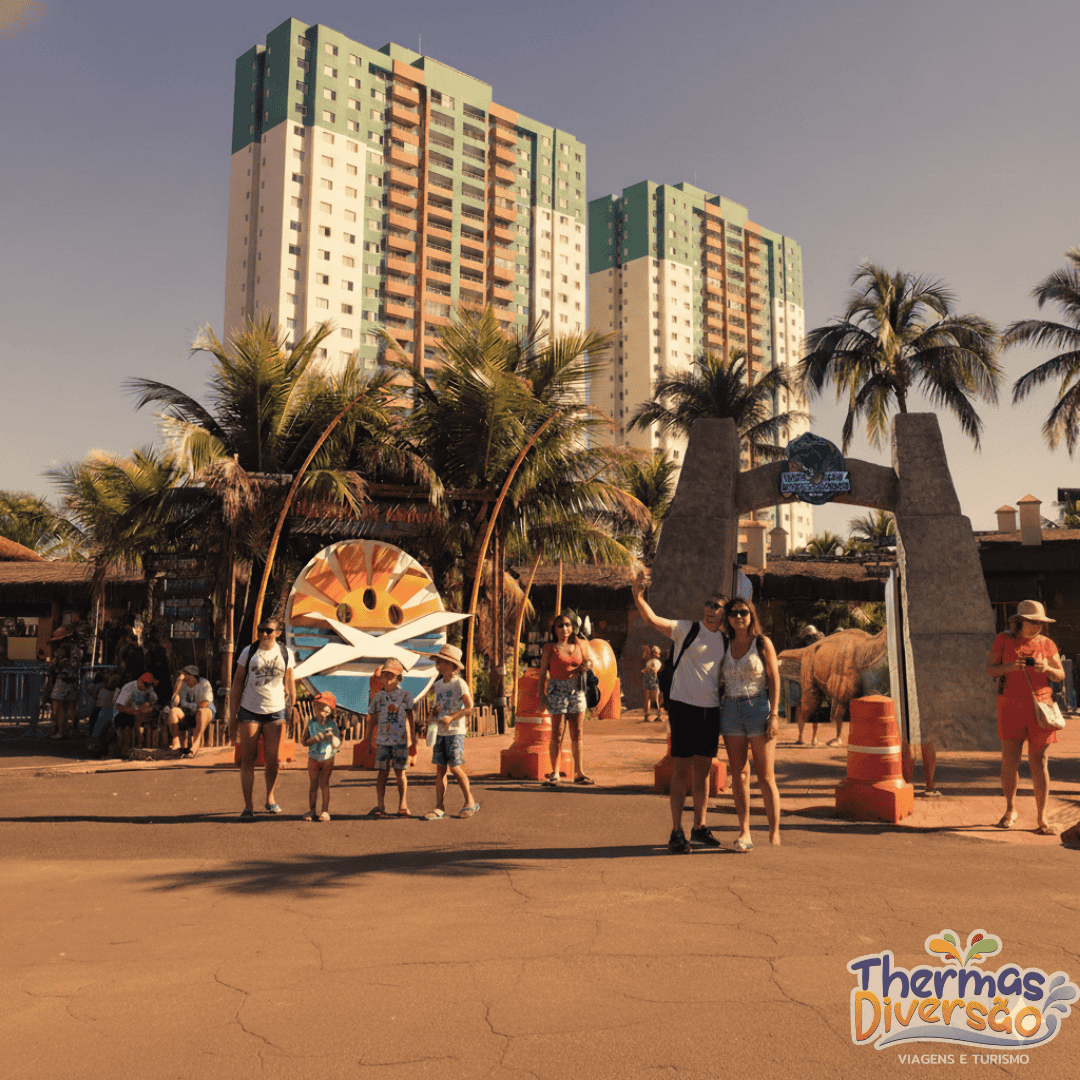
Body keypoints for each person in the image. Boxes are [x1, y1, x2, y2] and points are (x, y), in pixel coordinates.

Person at [632, 576, 727, 852]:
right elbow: (652, 620)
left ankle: (699, 826)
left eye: (717, 606)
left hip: (710, 710)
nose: (710, 609)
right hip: (683, 708)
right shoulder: (687, 629)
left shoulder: (725, 640)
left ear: (724, 614)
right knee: (680, 771)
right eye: (708, 604)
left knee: (703, 773)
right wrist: (638, 597)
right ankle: (676, 830)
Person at [986, 599, 1065, 835]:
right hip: (1010, 705)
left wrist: (1046, 668)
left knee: (1039, 761)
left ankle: (1042, 817)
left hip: (1041, 705)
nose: (1036, 626)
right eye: (1032, 622)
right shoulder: (1004, 640)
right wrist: (1011, 666)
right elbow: (990, 670)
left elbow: (1060, 675)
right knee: (1010, 761)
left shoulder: (1047, 644)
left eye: (1040, 622)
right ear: (1019, 621)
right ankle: (1010, 809)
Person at [720, 597, 782, 850]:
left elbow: (774, 679)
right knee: (739, 774)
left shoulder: (762, 643)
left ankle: (773, 831)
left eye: (743, 612)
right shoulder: (724, 644)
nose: (738, 617)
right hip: (731, 709)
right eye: (734, 613)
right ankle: (744, 831)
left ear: (751, 615)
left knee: (766, 776)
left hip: (758, 707)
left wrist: (774, 714)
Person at [228, 617, 297, 819]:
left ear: (277, 633)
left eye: (268, 630)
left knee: (273, 758)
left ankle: (270, 797)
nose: (263, 634)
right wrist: (232, 717)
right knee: (247, 758)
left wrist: (292, 705)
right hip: (249, 709)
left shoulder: (285, 653)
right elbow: (237, 683)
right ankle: (248, 805)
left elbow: (290, 680)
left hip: (275, 710)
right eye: (260, 630)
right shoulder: (249, 652)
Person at [423, 644, 480, 820]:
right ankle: (439, 806)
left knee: (455, 767)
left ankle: (469, 801)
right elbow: (440, 705)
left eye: (442, 662)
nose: (438, 665)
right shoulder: (439, 685)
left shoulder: (459, 683)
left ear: (453, 666)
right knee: (440, 770)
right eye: (437, 662)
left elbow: (470, 708)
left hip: (455, 732)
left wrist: (452, 717)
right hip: (440, 731)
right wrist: (434, 714)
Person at [538, 613, 594, 787]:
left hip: (576, 691)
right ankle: (555, 772)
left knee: (577, 733)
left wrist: (585, 667)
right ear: (554, 629)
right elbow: (542, 673)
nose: (564, 629)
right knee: (557, 732)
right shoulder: (550, 647)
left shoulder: (580, 644)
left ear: (573, 627)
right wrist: (542, 695)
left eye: (567, 625)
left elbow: (590, 662)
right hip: (557, 690)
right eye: (560, 625)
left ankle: (579, 772)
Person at [366, 658, 417, 817]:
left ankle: (403, 805)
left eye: (392, 675)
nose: (388, 678)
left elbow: (411, 718)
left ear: (399, 678)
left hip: (400, 741)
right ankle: (380, 805)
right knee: (382, 772)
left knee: (400, 772)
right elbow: (373, 719)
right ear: (380, 677)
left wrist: (413, 741)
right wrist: (369, 740)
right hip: (382, 740)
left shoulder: (405, 696)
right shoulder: (378, 697)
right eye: (385, 674)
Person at [302, 691, 341, 821]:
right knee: (313, 784)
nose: (321, 710)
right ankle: (312, 810)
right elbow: (304, 741)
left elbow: (337, 743)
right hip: (313, 756)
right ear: (314, 706)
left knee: (324, 784)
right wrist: (315, 739)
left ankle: (325, 811)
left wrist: (331, 737)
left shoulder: (332, 725)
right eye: (318, 707)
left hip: (327, 757)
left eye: (325, 708)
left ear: (330, 710)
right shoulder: (310, 723)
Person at [166, 665, 215, 756]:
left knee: (201, 711)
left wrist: (192, 707)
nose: (185, 680)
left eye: (186, 677)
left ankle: (196, 743)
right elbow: (174, 700)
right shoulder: (183, 684)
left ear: (193, 676)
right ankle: (176, 743)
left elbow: (205, 703)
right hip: (188, 714)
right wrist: (179, 682)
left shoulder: (204, 683)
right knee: (173, 711)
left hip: (203, 714)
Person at [48, 627, 83, 740]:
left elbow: (54, 664)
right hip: (74, 680)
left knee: (59, 708)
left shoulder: (62, 650)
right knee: (71, 707)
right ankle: (72, 730)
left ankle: (60, 731)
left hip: (62, 679)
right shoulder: (77, 650)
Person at [113, 671, 160, 753]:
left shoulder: (149, 688)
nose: (147, 687)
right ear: (139, 681)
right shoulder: (129, 688)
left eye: (149, 685)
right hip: (125, 714)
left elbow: (154, 700)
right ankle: (134, 744)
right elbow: (119, 707)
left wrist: (146, 707)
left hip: (140, 713)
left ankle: (142, 743)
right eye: (146, 684)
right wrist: (136, 712)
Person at [642, 645, 663, 722]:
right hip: (653, 679)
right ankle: (658, 715)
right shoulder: (656, 662)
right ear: (655, 654)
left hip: (648, 678)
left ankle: (647, 716)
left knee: (648, 699)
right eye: (658, 653)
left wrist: (646, 671)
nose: (659, 655)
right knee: (655, 698)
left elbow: (649, 670)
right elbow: (655, 671)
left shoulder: (649, 662)